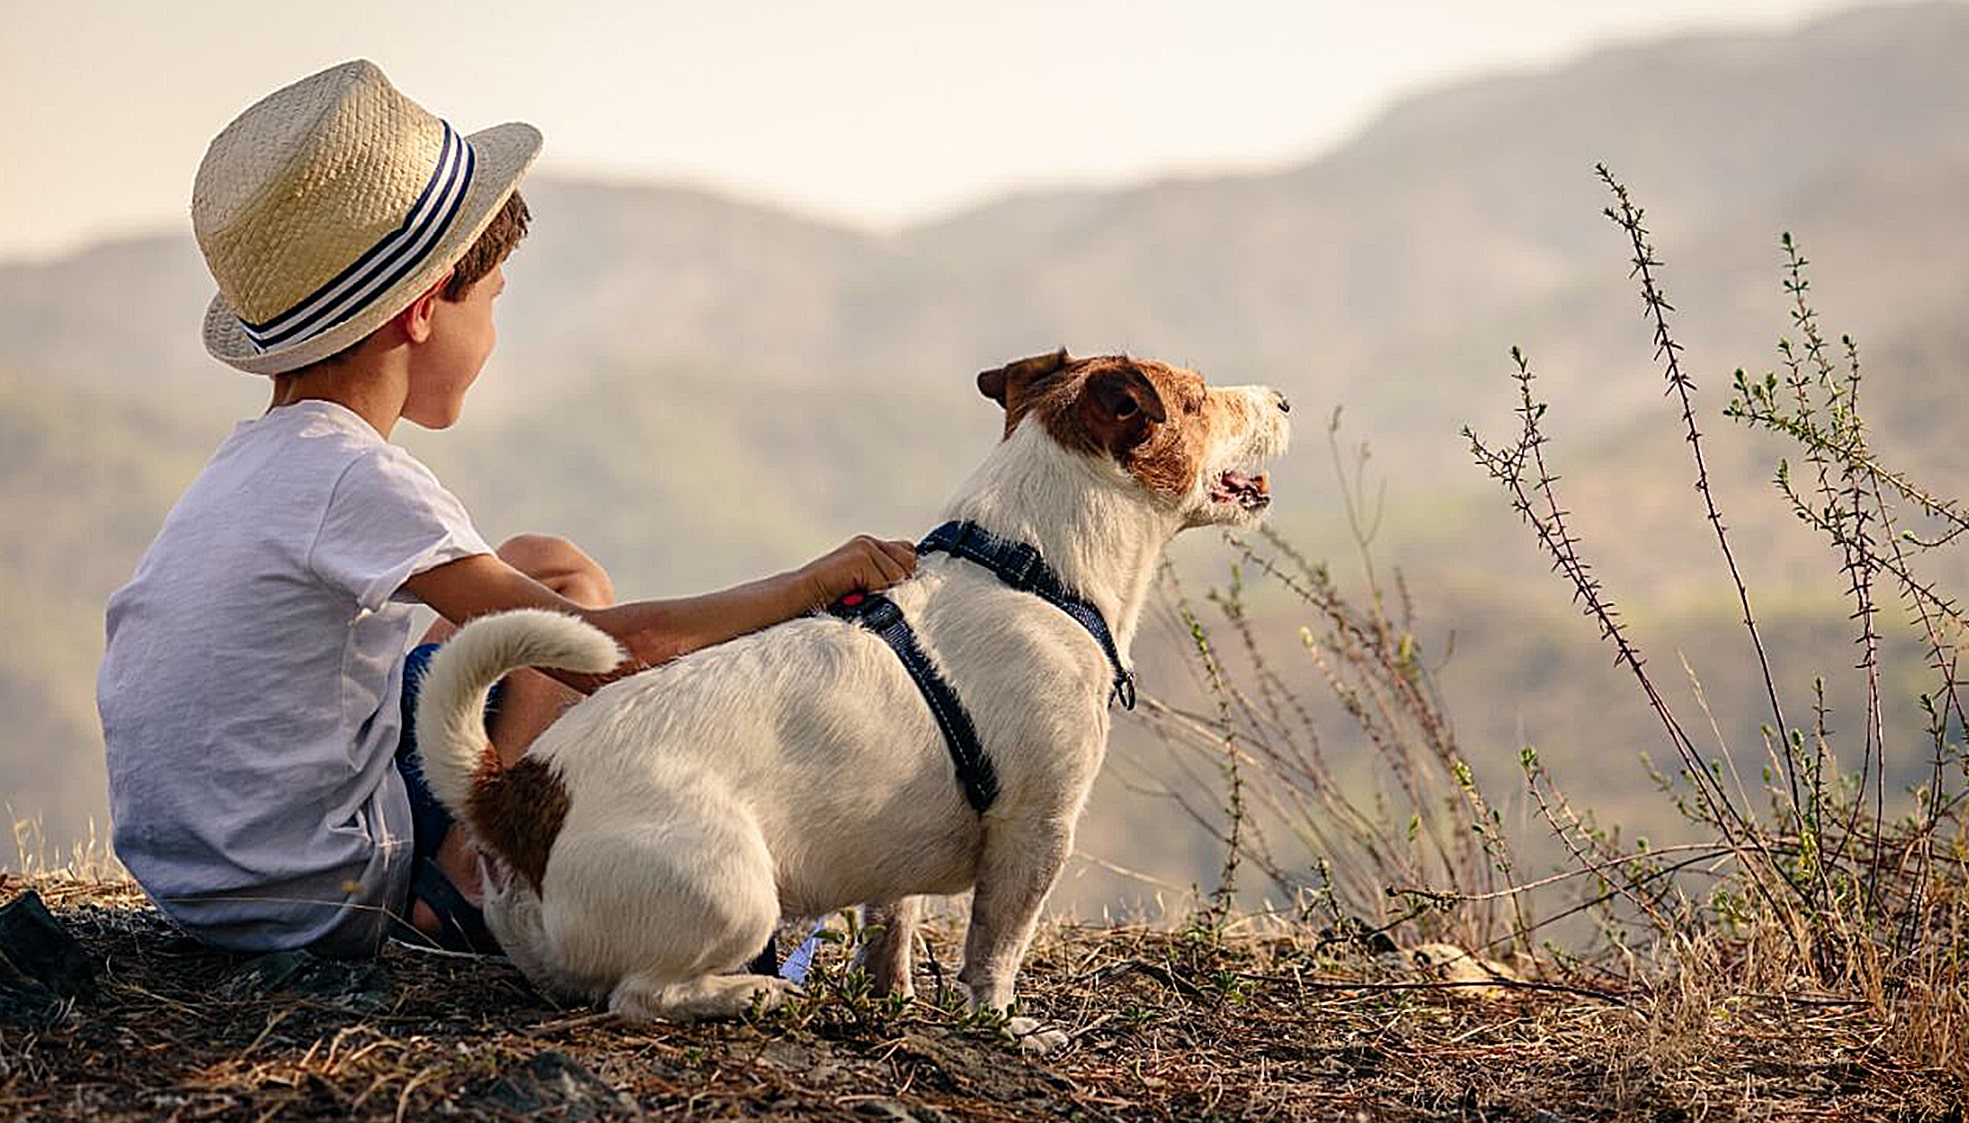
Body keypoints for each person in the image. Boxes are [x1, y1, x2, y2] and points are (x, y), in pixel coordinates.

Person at [96, 59, 915, 958]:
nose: (492, 331)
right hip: (319, 888)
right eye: (489, 301)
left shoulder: (254, 460)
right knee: (566, 626)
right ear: (420, 312)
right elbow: (614, 653)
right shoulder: (355, 475)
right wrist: (808, 585)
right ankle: (466, 883)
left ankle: (468, 852)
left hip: (205, 879)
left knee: (546, 564)